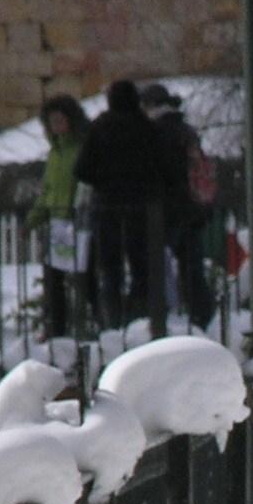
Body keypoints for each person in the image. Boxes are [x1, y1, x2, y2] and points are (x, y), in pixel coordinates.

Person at [76, 77, 170, 326]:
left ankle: (113, 319)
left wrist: (104, 180)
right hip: (142, 206)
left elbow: (82, 169)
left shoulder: (100, 127)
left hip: (106, 205)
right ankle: (140, 316)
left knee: (110, 267)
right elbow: (163, 167)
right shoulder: (147, 128)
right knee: (142, 265)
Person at [143, 82, 219, 330]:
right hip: (193, 208)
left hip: (169, 210)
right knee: (191, 265)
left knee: (159, 265)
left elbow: (162, 173)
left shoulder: (157, 133)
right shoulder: (185, 129)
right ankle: (202, 313)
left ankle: (165, 316)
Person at [28, 94, 91, 340]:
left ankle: (88, 326)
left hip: (79, 222)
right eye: (51, 121)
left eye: (60, 120)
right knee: (53, 280)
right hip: (57, 223)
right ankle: (57, 329)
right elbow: (47, 191)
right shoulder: (55, 153)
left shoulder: (80, 148)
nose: (55, 125)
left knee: (85, 278)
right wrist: (34, 218)